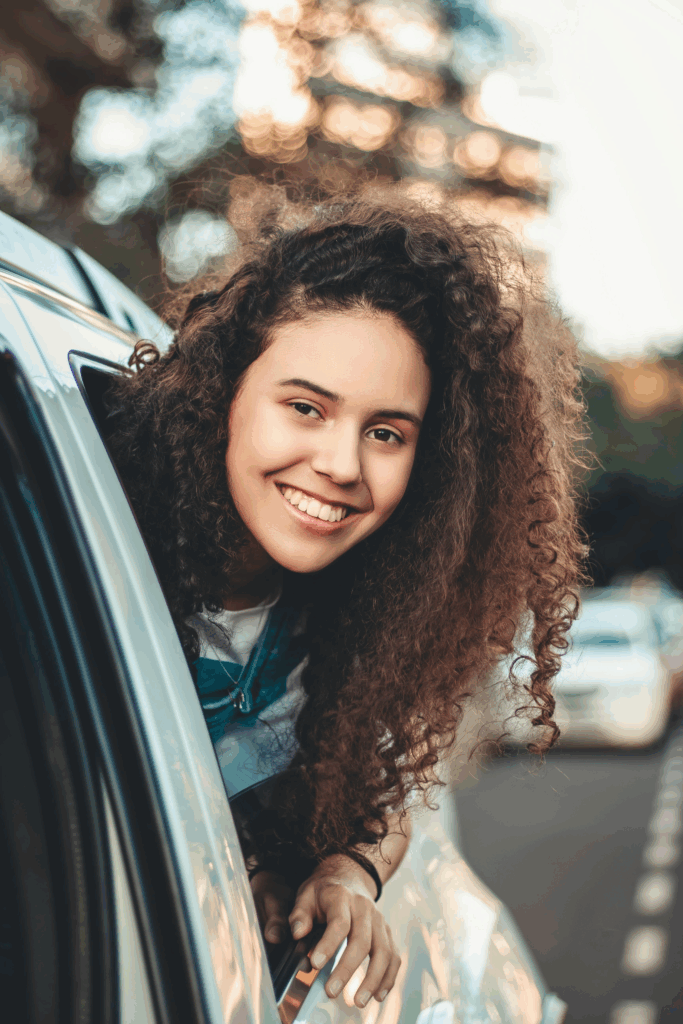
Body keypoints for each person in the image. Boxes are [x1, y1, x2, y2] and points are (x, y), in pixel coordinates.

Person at [105, 189, 587, 1010]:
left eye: (386, 432)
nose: (340, 463)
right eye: (305, 407)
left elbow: (388, 775)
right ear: (224, 395)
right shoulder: (100, 540)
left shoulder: (372, 615)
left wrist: (348, 871)